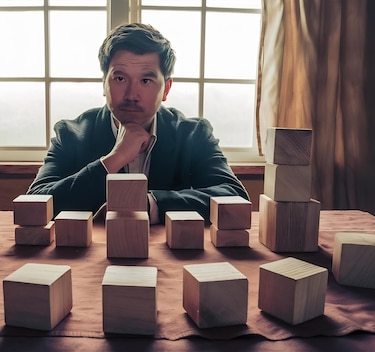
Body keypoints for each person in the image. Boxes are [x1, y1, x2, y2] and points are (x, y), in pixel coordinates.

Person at [26, 22, 249, 223]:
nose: (132, 94)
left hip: (172, 254)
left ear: (166, 89)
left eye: (146, 80)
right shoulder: (71, 133)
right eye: (120, 78)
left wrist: (147, 204)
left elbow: (234, 195)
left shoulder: (193, 134)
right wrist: (113, 159)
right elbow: (35, 203)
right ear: (104, 84)